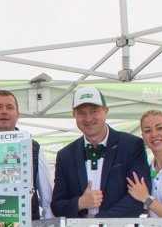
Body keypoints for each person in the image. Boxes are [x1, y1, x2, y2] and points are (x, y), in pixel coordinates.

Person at [51, 87, 150, 218]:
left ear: (106, 110)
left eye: (94, 111)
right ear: (74, 115)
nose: (88, 118)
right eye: (81, 113)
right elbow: (57, 205)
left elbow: (138, 198)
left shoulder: (131, 145)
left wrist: (99, 221)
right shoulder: (65, 156)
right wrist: (80, 203)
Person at [0, 90, 54, 219]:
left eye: (10, 107)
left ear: (17, 115)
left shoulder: (34, 148)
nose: (4, 111)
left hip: (26, 226)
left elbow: (47, 199)